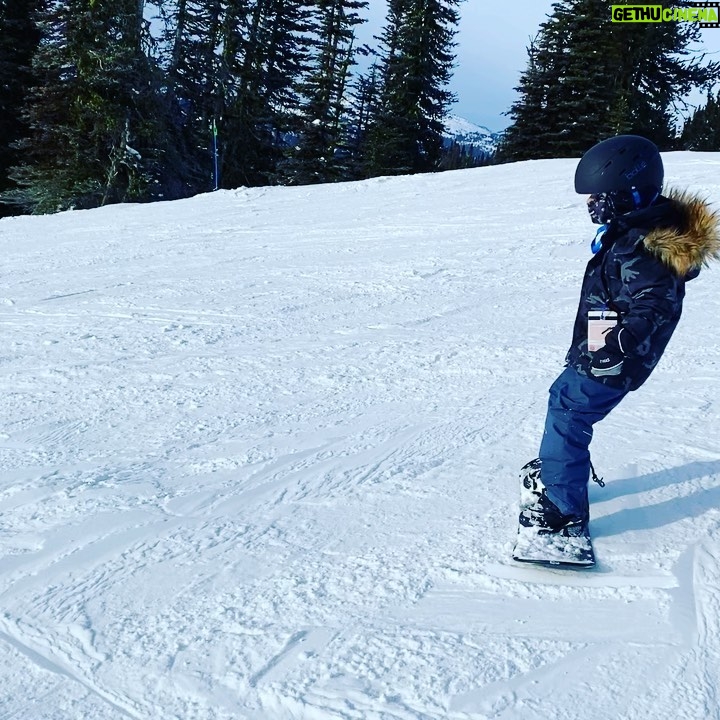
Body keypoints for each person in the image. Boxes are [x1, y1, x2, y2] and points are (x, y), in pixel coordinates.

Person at [520, 134, 720, 536]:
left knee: (569, 410)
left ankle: (562, 508)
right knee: (566, 399)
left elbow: (655, 306)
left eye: (598, 197)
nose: (590, 205)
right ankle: (563, 468)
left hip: (619, 354)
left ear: (628, 193)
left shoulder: (643, 248)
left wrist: (618, 346)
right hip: (603, 342)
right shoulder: (634, 232)